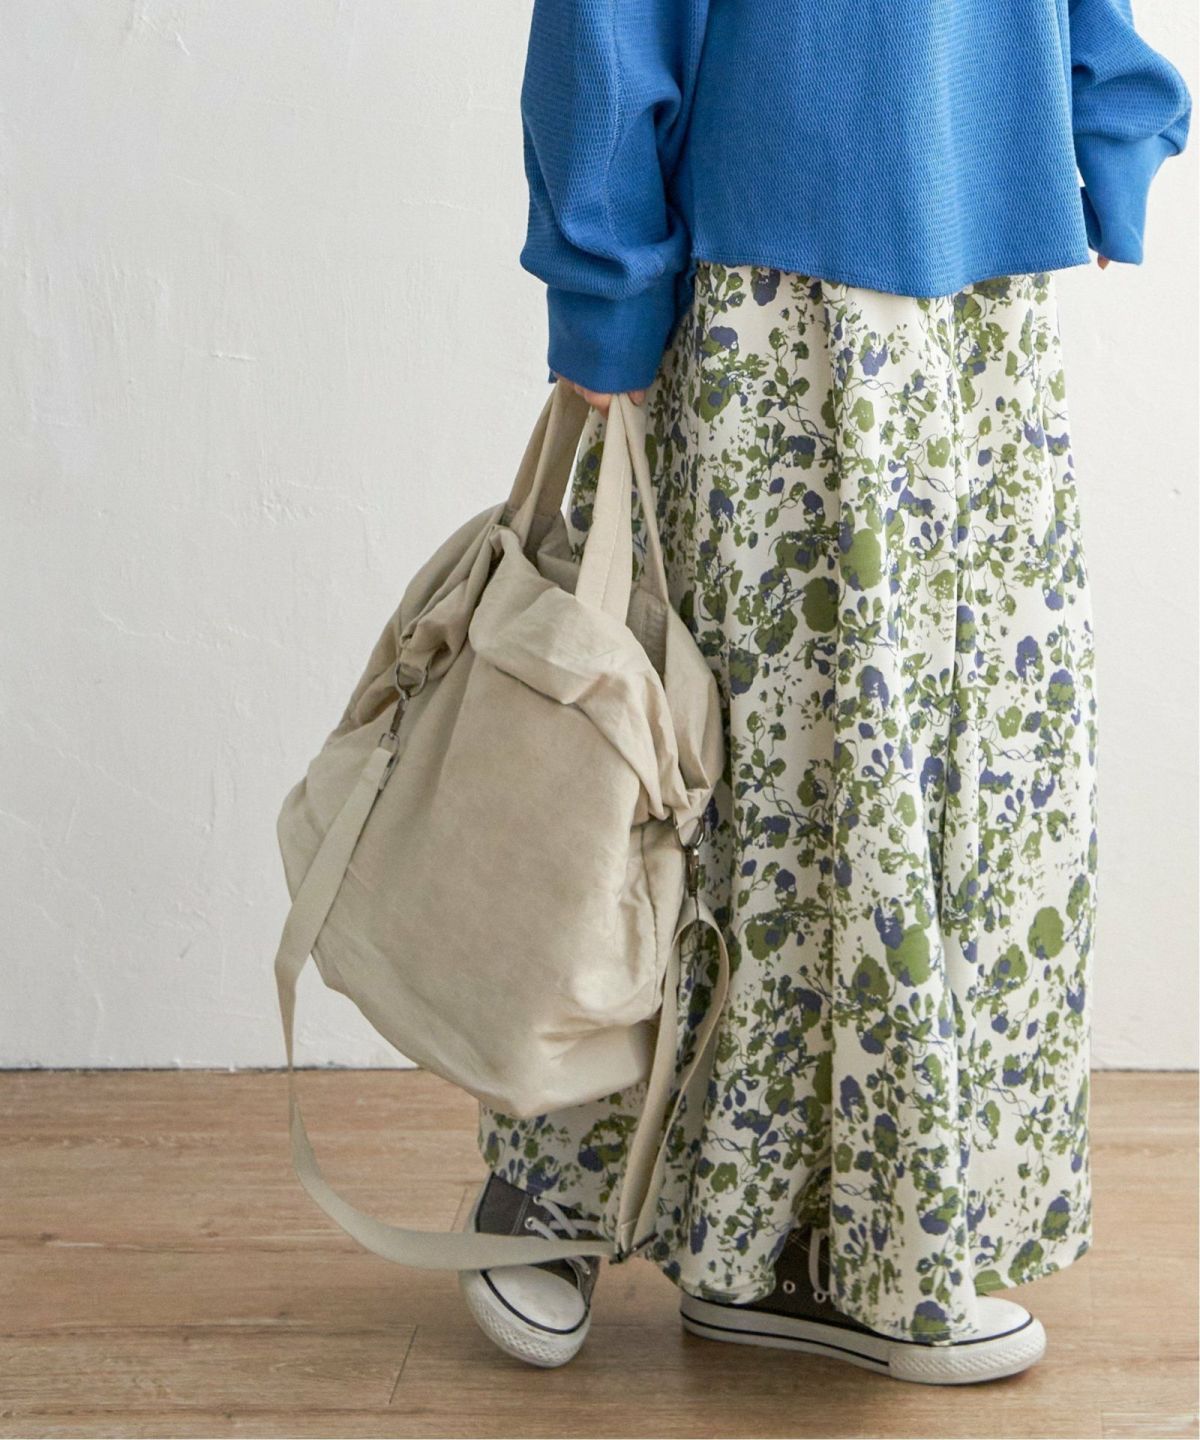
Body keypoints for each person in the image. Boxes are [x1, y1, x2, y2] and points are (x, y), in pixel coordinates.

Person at [459, 0, 1191, 1384]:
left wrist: (1105, 116)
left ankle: (822, 1245)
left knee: (942, 779)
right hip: (761, 291)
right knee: (687, 756)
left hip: (977, 275)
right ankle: (553, 1179)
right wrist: (606, 283)